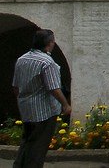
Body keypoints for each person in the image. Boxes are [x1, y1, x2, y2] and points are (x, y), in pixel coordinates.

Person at [11, 29, 71, 168]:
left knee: (27, 141)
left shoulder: (22, 59)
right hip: (44, 111)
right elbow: (53, 88)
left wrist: (22, 101)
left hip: (26, 108)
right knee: (39, 146)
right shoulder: (47, 62)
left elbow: (15, 86)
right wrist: (65, 104)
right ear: (49, 43)